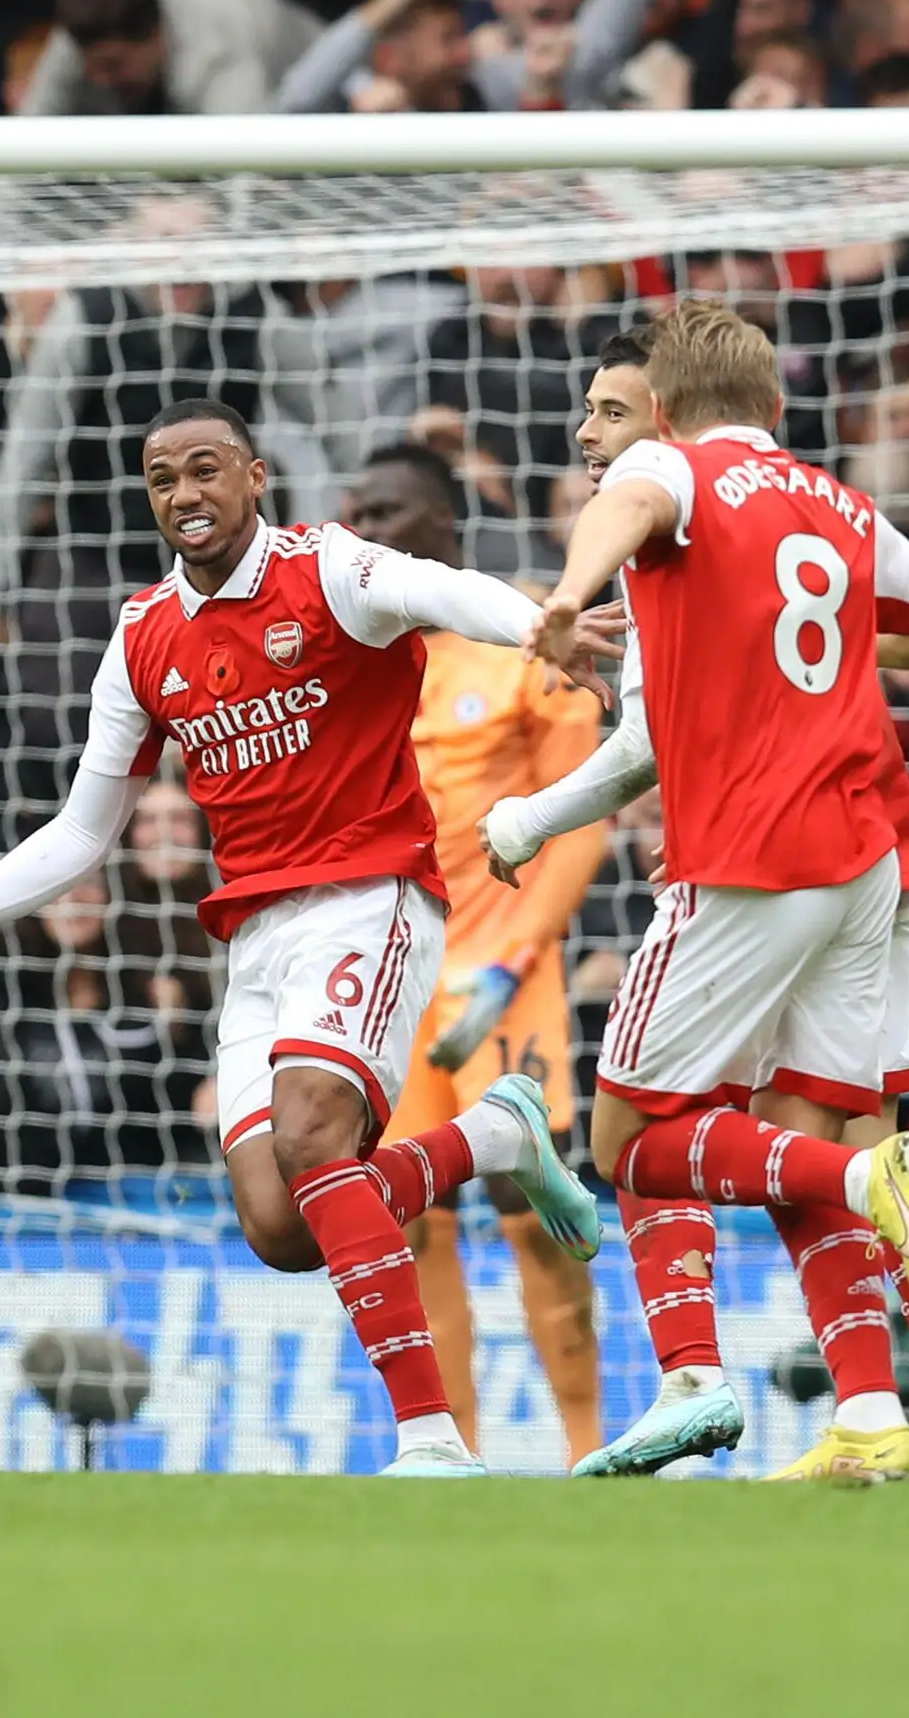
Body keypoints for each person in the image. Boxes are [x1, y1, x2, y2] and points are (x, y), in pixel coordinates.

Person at [0, 399, 606, 1477]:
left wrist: (542, 621)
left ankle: (432, 1439)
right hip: (253, 938)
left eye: (206, 469)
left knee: (312, 1138)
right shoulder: (143, 636)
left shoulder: (328, 568)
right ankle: (493, 1137)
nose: (186, 494)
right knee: (282, 1226)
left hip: (370, 895)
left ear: (254, 476)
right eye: (163, 479)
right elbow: (84, 830)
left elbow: (446, 589)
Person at [491, 317, 909, 1484]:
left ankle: (708, 1369)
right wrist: (836, 660)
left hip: (753, 853)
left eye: (614, 411)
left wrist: (565, 593)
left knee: (635, 1139)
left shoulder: (669, 477)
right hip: (871, 850)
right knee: (811, 1131)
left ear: (663, 411)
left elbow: (632, 506)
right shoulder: (838, 502)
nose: (596, 435)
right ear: (776, 406)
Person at [338, 442, 610, 1465]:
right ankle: (451, 1453)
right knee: (406, 1214)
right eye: (358, 510)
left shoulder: (520, 636)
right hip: (389, 981)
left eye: (387, 511)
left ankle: (586, 1447)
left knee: (528, 1206)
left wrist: (517, 954)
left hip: (504, 973)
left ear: (444, 525)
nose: (366, 527)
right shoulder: (350, 654)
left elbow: (582, 816)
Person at [19, 0, 322, 118]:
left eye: (113, 65)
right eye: (89, 67)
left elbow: (251, 178)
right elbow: (28, 137)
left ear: (155, 35)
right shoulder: (78, 31)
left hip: (328, 106)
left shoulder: (219, 52)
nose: (98, 80)